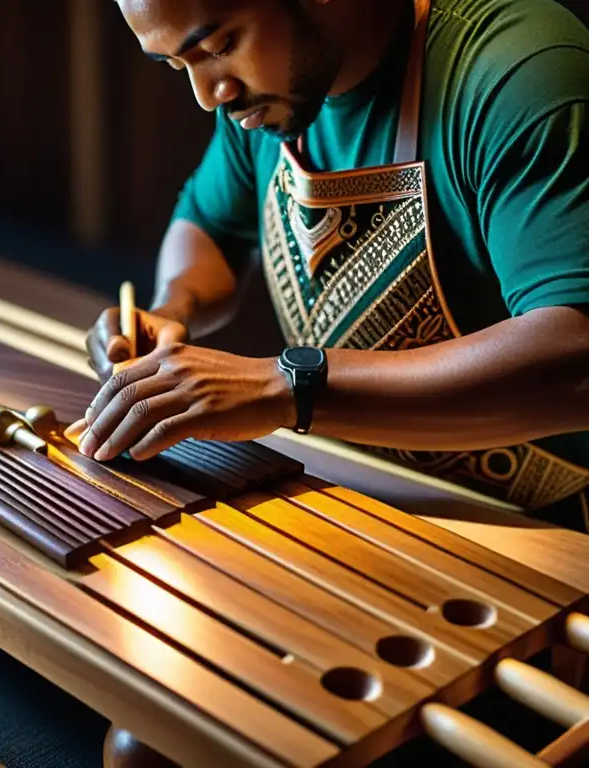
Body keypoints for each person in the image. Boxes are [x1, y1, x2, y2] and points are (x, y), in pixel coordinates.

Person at [73, 0, 589, 530]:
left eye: (221, 46)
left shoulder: (517, 71)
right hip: (383, 501)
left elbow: (575, 362)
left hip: (558, 530)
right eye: (179, 65)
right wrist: (171, 309)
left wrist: (287, 387)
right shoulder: (267, 100)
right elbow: (211, 227)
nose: (208, 96)